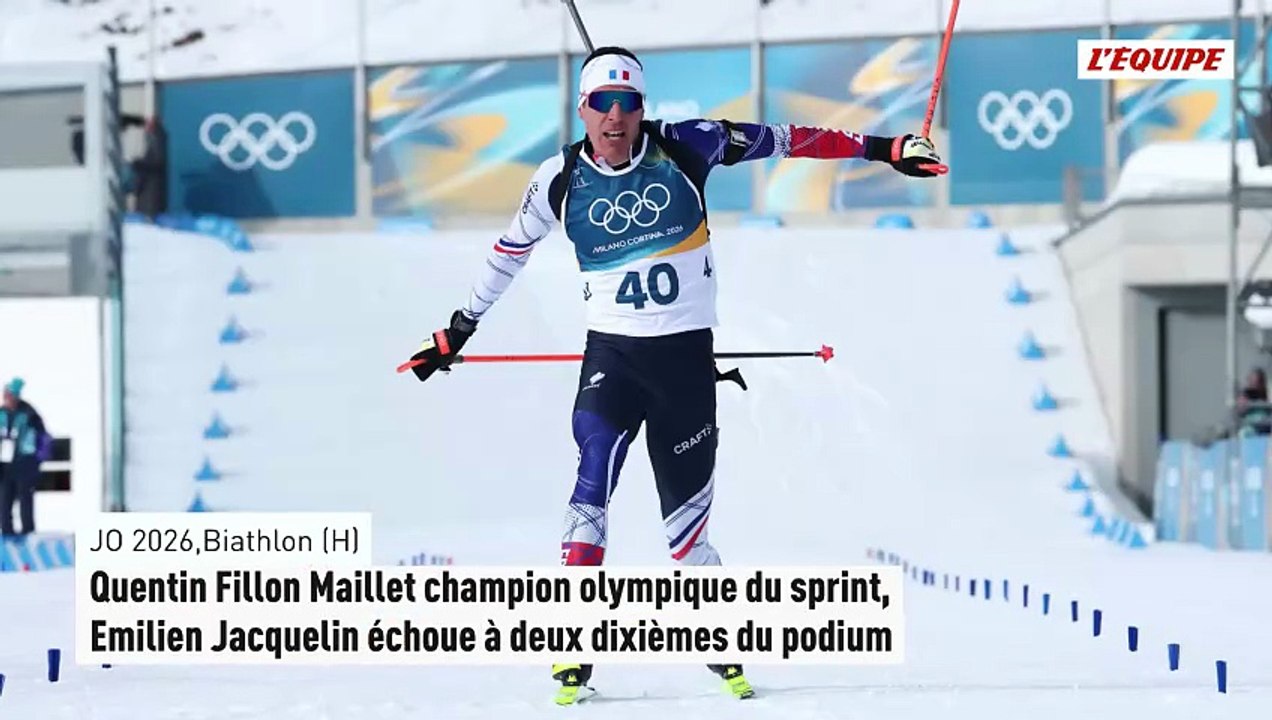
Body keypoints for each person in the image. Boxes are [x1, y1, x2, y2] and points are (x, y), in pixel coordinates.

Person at [404, 46, 946, 704]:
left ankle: (718, 647)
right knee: (589, 488)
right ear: (581, 110)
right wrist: (458, 328)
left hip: (685, 369)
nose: (613, 117)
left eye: (626, 103)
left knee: (685, 534)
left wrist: (887, 148)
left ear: (642, 109)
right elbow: (507, 255)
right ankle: (572, 651)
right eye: (600, 104)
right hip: (613, 360)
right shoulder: (558, 179)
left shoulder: (690, 145)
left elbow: (788, 138)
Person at [0, 378, 46, 538]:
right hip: (5, 465)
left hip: (24, 463)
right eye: (5, 395)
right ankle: (7, 533)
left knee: (25, 500)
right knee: (4, 501)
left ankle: (28, 533)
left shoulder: (29, 413)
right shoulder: (1, 414)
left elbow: (43, 437)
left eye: (10, 395)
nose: (7, 398)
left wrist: (37, 460)